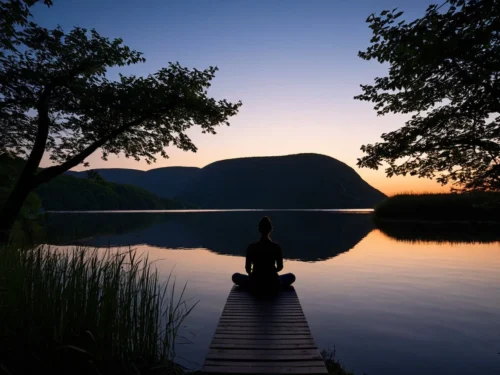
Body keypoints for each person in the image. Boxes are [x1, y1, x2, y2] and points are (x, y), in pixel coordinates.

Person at [232, 216, 296, 295]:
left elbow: (248, 269)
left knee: (235, 276)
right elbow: (280, 267)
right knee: (291, 276)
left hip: (255, 283)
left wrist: (254, 275)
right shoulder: (276, 247)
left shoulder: (251, 247)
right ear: (270, 229)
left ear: (259, 229)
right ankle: (275, 286)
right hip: (273, 283)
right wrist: (271, 272)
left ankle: (251, 285)